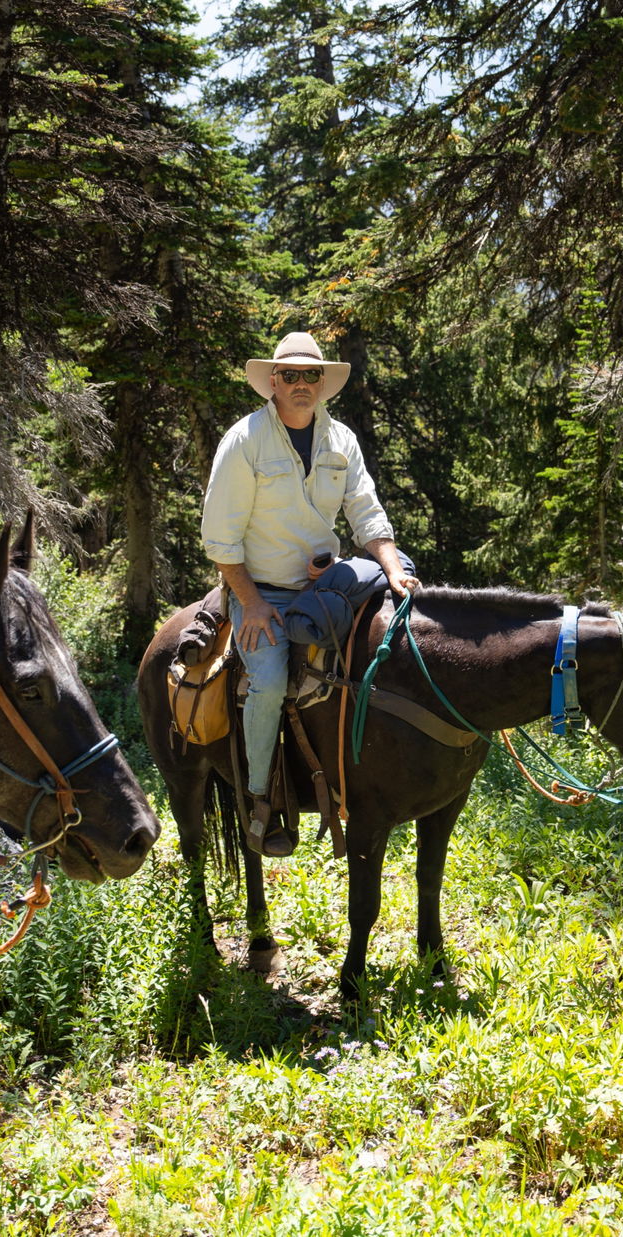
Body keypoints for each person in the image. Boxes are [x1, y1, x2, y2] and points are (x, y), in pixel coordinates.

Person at [201, 332, 418, 857]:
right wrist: (251, 602)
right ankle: (262, 798)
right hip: (263, 592)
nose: (301, 383)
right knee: (270, 681)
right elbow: (220, 537)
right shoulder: (245, 440)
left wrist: (394, 570)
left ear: (322, 383)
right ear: (273, 381)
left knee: (385, 654)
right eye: (291, 375)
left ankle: (368, 775)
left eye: (311, 375)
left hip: (326, 585)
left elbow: (366, 512)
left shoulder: (341, 440)